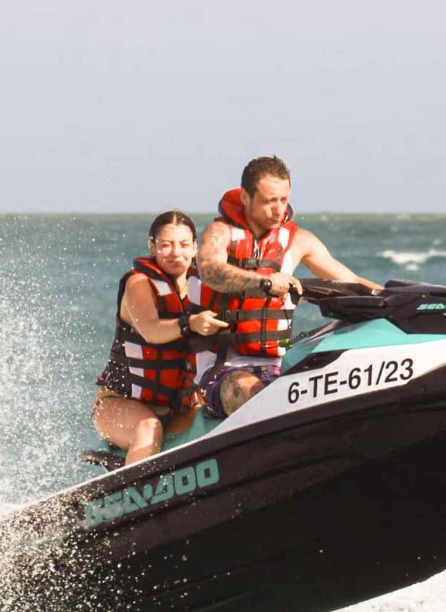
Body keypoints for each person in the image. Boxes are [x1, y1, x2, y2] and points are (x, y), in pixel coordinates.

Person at [193, 156, 379, 418]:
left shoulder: (300, 240)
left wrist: (415, 295)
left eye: (284, 199)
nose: (278, 210)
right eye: (269, 201)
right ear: (245, 197)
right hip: (223, 371)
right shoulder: (220, 232)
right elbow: (210, 269)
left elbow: (353, 281)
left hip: (279, 367)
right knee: (251, 393)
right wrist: (263, 281)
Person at [94, 211, 230, 464]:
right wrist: (190, 323)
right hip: (120, 403)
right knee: (149, 429)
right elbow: (151, 330)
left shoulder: (203, 286)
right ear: (152, 246)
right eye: (166, 245)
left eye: (184, 244)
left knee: (227, 417)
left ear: (195, 247)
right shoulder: (138, 283)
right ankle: (133, 488)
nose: (176, 253)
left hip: (180, 408)